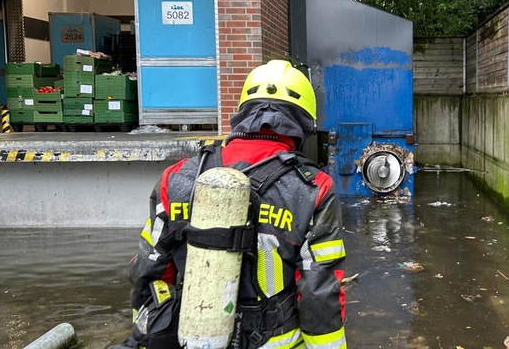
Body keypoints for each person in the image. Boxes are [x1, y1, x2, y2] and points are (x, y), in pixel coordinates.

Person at [117, 60, 347, 349]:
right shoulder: (314, 188)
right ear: (303, 123)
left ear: (243, 114)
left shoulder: (175, 178)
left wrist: (151, 336)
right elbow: (318, 294)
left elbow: (147, 272)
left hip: (195, 339)